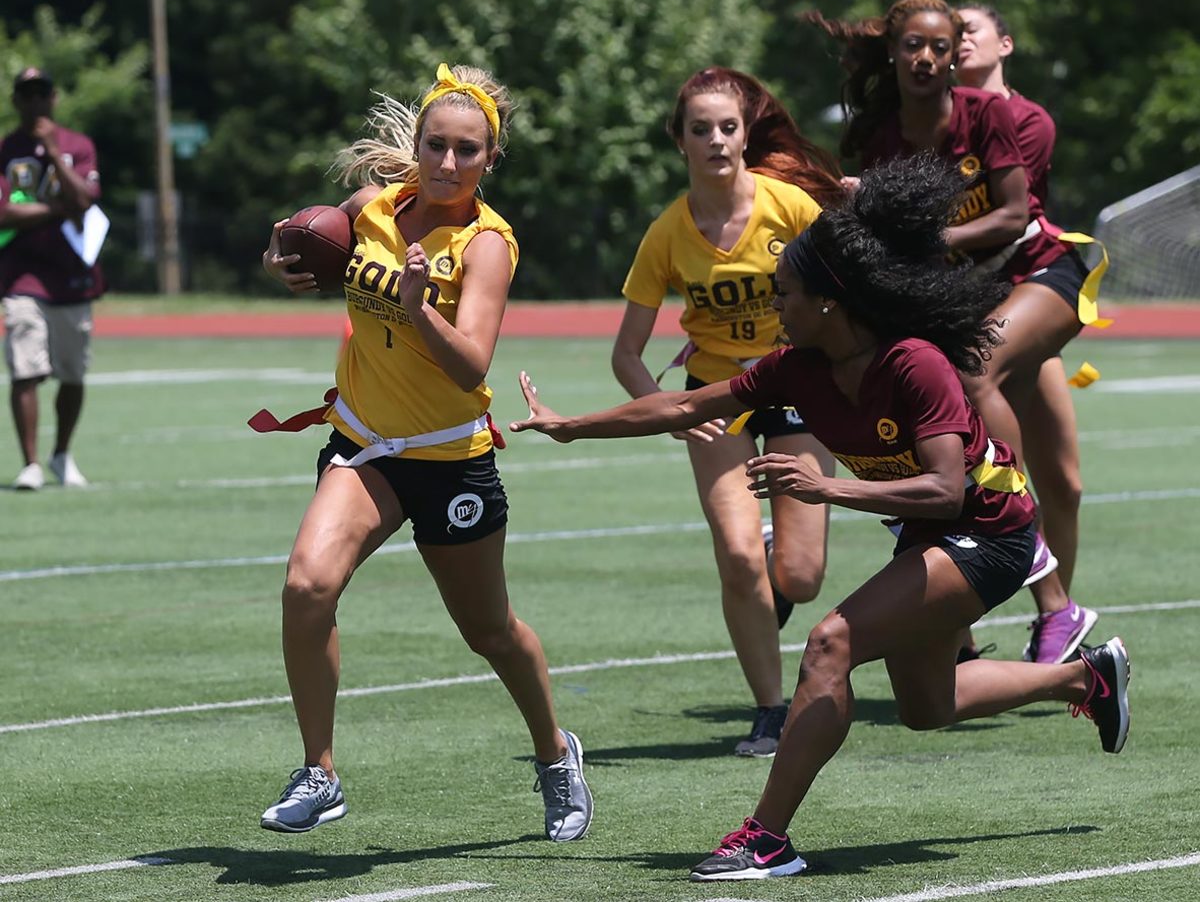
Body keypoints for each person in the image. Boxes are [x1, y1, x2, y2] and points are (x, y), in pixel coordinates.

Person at [510, 153, 1130, 881]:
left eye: (787, 295)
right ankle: (1084, 680)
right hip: (937, 530)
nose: (776, 308)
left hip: (990, 534)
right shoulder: (797, 365)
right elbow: (684, 404)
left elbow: (945, 492)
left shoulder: (914, 364)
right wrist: (572, 424)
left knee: (831, 643)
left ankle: (766, 839)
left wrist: (827, 490)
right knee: (926, 706)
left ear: (831, 302)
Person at [254, 63, 593, 840]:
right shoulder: (370, 208)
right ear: (417, 143)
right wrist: (283, 261)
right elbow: (303, 246)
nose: (448, 162)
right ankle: (320, 771)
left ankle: (553, 752)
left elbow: (473, 362)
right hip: (367, 445)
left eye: (466, 150)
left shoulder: (487, 243)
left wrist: (415, 309)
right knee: (307, 587)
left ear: (489, 159)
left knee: (489, 630)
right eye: (436, 144)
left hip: (450, 458)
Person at [805, 0, 1100, 664]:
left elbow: (1010, 216)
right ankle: (959, 627)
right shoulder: (881, 137)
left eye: (943, 46)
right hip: (963, 302)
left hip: (1038, 276)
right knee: (933, 426)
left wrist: (922, 234)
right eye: (914, 45)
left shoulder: (991, 114)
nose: (929, 58)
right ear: (893, 51)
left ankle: (1045, 583)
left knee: (973, 377)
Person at [613, 67, 843, 757]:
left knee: (799, 577)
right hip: (719, 400)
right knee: (739, 557)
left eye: (727, 127)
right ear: (678, 141)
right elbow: (627, 353)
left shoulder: (791, 209)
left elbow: (850, 294)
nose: (715, 140)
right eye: (700, 129)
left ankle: (775, 561)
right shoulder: (667, 234)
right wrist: (673, 411)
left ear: (746, 136)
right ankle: (771, 710)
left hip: (799, 388)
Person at [955, 1, 1087, 604]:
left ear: (1004, 44)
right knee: (974, 483)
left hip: (1025, 297)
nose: (955, 43)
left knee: (1064, 484)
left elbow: (1004, 221)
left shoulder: (1026, 119)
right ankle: (967, 635)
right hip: (970, 313)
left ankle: (1054, 617)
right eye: (946, 34)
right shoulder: (930, 126)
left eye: (969, 31)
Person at [0, 67, 103, 491]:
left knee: (72, 372)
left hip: (71, 274)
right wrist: (59, 210)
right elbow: (5, 212)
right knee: (25, 367)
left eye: (42, 93)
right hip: (21, 275)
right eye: (27, 94)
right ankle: (31, 463)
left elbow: (84, 198)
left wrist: (50, 149)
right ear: (16, 101)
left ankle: (61, 453)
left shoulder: (77, 145)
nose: (35, 102)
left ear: (53, 98)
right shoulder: (6, 149)